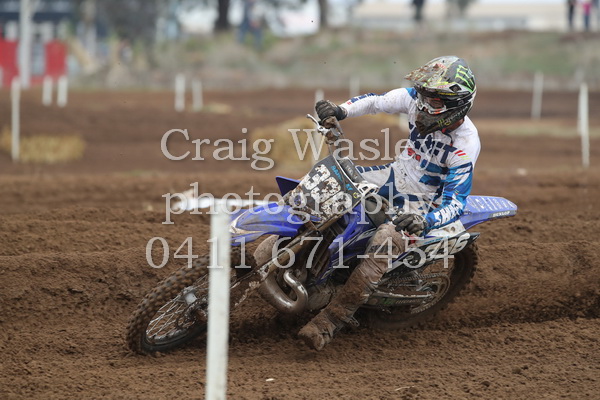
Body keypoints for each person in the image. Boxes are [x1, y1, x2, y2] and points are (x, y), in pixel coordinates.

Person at [298, 56, 480, 351]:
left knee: (385, 239)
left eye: (433, 102)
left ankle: (331, 320)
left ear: (457, 105)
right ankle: (302, 263)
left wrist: (425, 221)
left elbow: (456, 202)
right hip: (394, 175)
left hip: (422, 203)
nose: (423, 106)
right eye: (423, 96)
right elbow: (376, 102)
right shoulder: (414, 100)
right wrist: (341, 110)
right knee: (330, 183)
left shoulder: (464, 144)